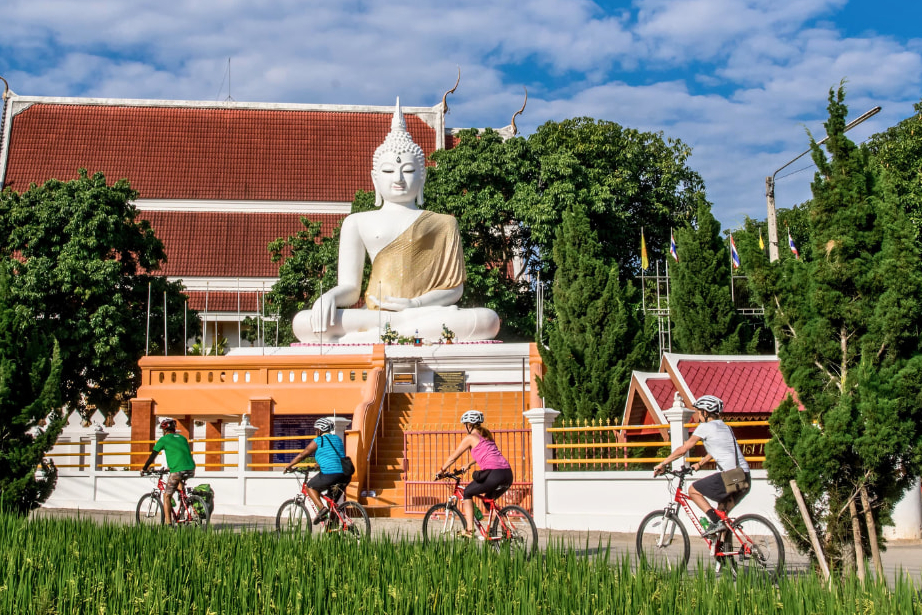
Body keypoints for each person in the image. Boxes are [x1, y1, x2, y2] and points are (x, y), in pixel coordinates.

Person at [291, 98, 499, 344]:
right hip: (374, 315)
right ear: (375, 178)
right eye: (388, 171)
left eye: (409, 171)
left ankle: (376, 336)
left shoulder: (443, 223)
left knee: (488, 320)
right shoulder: (357, 222)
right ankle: (395, 331)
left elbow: (455, 290)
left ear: (422, 178)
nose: (398, 178)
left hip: (423, 311)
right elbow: (351, 289)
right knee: (304, 322)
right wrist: (330, 298)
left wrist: (414, 304)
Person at [653, 395, 751, 536]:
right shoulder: (726, 427)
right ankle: (722, 553)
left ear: (705, 413)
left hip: (730, 477)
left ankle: (715, 522)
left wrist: (663, 463)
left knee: (693, 490)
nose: (698, 415)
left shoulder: (705, 427)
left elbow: (684, 448)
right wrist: (699, 464)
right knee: (723, 516)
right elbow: (716, 451)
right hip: (745, 477)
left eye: (699, 412)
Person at [436, 411, 513, 538]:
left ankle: (469, 530)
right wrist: (469, 464)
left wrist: (441, 471)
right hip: (507, 474)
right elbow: (486, 454)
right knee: (488, 501)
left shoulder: (470, 438)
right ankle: (507, 529)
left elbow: (453, 457)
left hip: (493, 474)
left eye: (465, 424)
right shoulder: (486, 436)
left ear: (469, 425)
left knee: (467, 493)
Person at [284, 417, 350, 524]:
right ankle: (332, 529)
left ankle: (321, 509)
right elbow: (332, 455)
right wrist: (319, 464)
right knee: (331, 502)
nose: (315, 432)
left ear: (319, 430)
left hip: (330, 474)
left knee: (309, 487)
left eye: (316, 430)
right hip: (344, 475)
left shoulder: (319, 440)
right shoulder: (337, 439)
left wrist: (289, 466)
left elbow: (302, 455)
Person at [141, 417, 196, 525]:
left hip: (177, 470)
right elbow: (180, 455)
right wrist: (169, 468)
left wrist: (144, 468)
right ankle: (184, 503)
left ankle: (168, 524)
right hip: (190, 468)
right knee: (178, 482)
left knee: (167, 496)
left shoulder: (164, 439)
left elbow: (153, 456)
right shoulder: (183, 438)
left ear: (164, 430)